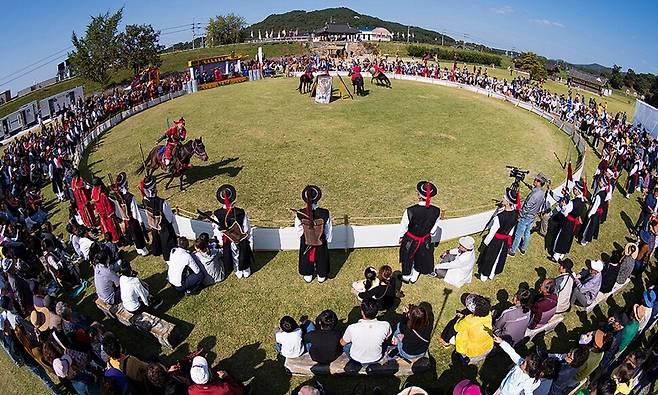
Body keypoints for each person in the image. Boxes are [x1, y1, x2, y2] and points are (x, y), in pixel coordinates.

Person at [398, 181, 441, 283]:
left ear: (418, 195)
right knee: (421, 258)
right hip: (425, 239)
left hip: (410, 239)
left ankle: (406, 277)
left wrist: (400, 237)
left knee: (407, 258)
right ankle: (414, 278)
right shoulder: (437, 211)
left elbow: (403, 227)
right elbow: (433, 231)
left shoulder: (410, 210)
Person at [213, 184, 253, 279]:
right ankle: (245, 270)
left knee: (234, 254)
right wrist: (247, 238)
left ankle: (238, 269)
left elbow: (217, 231)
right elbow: (246, 228)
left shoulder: (217, 214)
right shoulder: (240, 212)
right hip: (239, 237)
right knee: (243, 252)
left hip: (229, 239)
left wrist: (221, 241)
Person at [295, 185, 332, 283]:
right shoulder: (325, 213)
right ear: (317, 198)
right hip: (321, 238)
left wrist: (304, 238)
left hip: (306, 239)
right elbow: (328, 228)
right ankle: (321, 275)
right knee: (322, 256)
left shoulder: (300, 213)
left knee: (306, 256)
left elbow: (298, 228)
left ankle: (308, 274)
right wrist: (327, 239)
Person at [478, 188, 518, 281]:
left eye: (504, 198)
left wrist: (485, 244)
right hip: (505, 240)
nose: (502, 198)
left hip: (496, 240)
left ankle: (484, 275)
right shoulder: (515, 214)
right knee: (498, 257)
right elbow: (511, 231)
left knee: (490, 257)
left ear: (507, 202)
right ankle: (492, 274)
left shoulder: (499, 217)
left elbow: (491, 233)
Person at [439, 294, 493, 360]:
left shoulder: (469, 320)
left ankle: (446, 342)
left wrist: (460, 318)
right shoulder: (488, 313)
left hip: (472, 350)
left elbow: (456, 328)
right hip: (487, 345)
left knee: (452, 325)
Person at [340, 298, 392, 364]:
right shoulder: (386, 325)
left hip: (356, 358)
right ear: (377, 311)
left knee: (346, 346)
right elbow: (386, 338)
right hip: (376, 358)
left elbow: (342, 343)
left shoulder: (352, 328)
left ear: (362, 312)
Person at [510, 173, 548, 256]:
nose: (534, 181)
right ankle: (523, 248)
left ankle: (512, 250)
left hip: (525, 217)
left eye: (535, 180)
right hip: (532, 216)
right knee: (527, 233)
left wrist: (520, 214)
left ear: (539, 182)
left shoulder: (534, 195)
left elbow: (527, 207)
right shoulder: (542, 193)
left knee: (518, 235)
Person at [140, 176, 176, 263]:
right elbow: (169, 218)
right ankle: (169, 259)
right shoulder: (162, 202)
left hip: (154, 225)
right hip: (164, 227)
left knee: (158, 241)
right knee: (168, 244)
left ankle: (158, 250)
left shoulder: (144, 200)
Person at [113, 172, 149, 256]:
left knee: (133, 234)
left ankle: (138, 248)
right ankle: (143, 250)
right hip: (133, 219)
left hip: (127, 219)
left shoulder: (118, 196)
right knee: (138, 234)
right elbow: (135, 210)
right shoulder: (130, 197)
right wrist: (140, 220)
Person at [552, 180, 587, 261]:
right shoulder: (582, 201)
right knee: (568, 238)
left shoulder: (573, 202)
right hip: (573, 222)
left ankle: (556, 255)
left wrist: (563, 206)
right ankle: (562, 255)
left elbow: (565, 212)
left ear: (578, 191)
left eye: (575, 189)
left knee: (561, 237)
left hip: (567, 222)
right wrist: (567, 194)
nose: (573, 190)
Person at [91, 177, 121, 243]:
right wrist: (112, 212)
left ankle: (110, 239)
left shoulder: (93, 193)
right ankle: (116, 240)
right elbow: (108, 206)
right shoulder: (102, 195)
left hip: (101, 215)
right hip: (108, 215)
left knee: (106, 228)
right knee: (112, 227)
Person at [580, 178, 608, 246]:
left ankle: (584, 240)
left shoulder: (599, 195)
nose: (599, 182)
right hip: (598, 213)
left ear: (603, 184)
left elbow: (595, 206)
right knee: (592, 226)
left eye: (600, 181)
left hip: (594, 213)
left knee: (589, 226)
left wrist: (590, 214)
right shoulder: (604, 192)